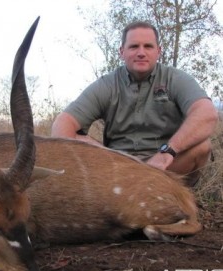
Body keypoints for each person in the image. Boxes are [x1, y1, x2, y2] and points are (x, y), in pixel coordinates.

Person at [51, 21, 218, 186]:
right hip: (117, 167)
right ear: (122, 51)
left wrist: (167, 152)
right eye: (133, 47)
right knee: (75, 138)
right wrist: (104, 159)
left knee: (202, 146)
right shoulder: (107, 84)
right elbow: (63, 123)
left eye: (148, 46)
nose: (141, 52)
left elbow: (206, 113)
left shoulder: (175, 78)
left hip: (165, 166)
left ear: (158, 51)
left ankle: (180, 195)